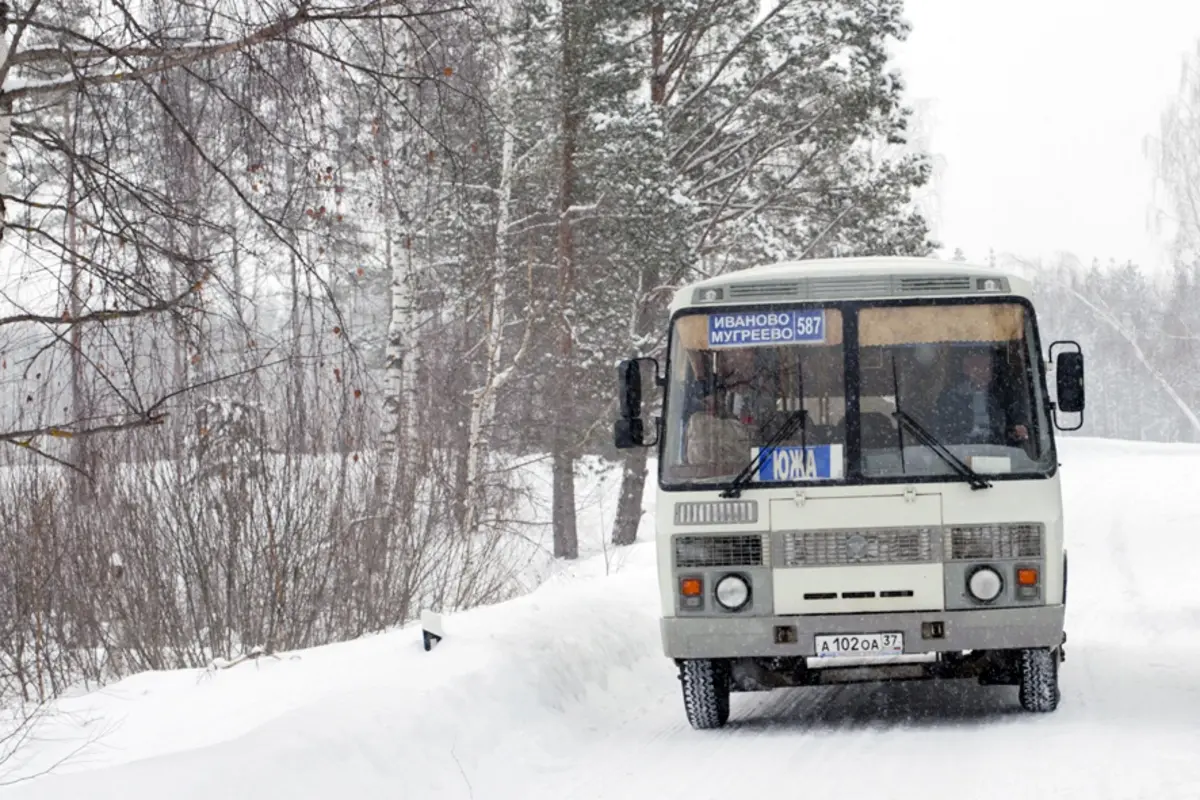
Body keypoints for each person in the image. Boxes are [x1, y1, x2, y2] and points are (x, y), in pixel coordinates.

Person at [933, 349, 1029, 445]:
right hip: (958, 454)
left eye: (986, 367)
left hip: (998, 451)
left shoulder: (1004, 395)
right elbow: (941, 433)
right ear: (966, 369)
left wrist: (1018, 430)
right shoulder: (952, 397)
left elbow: (1018, 423)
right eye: (977, 367)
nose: (982, 372)